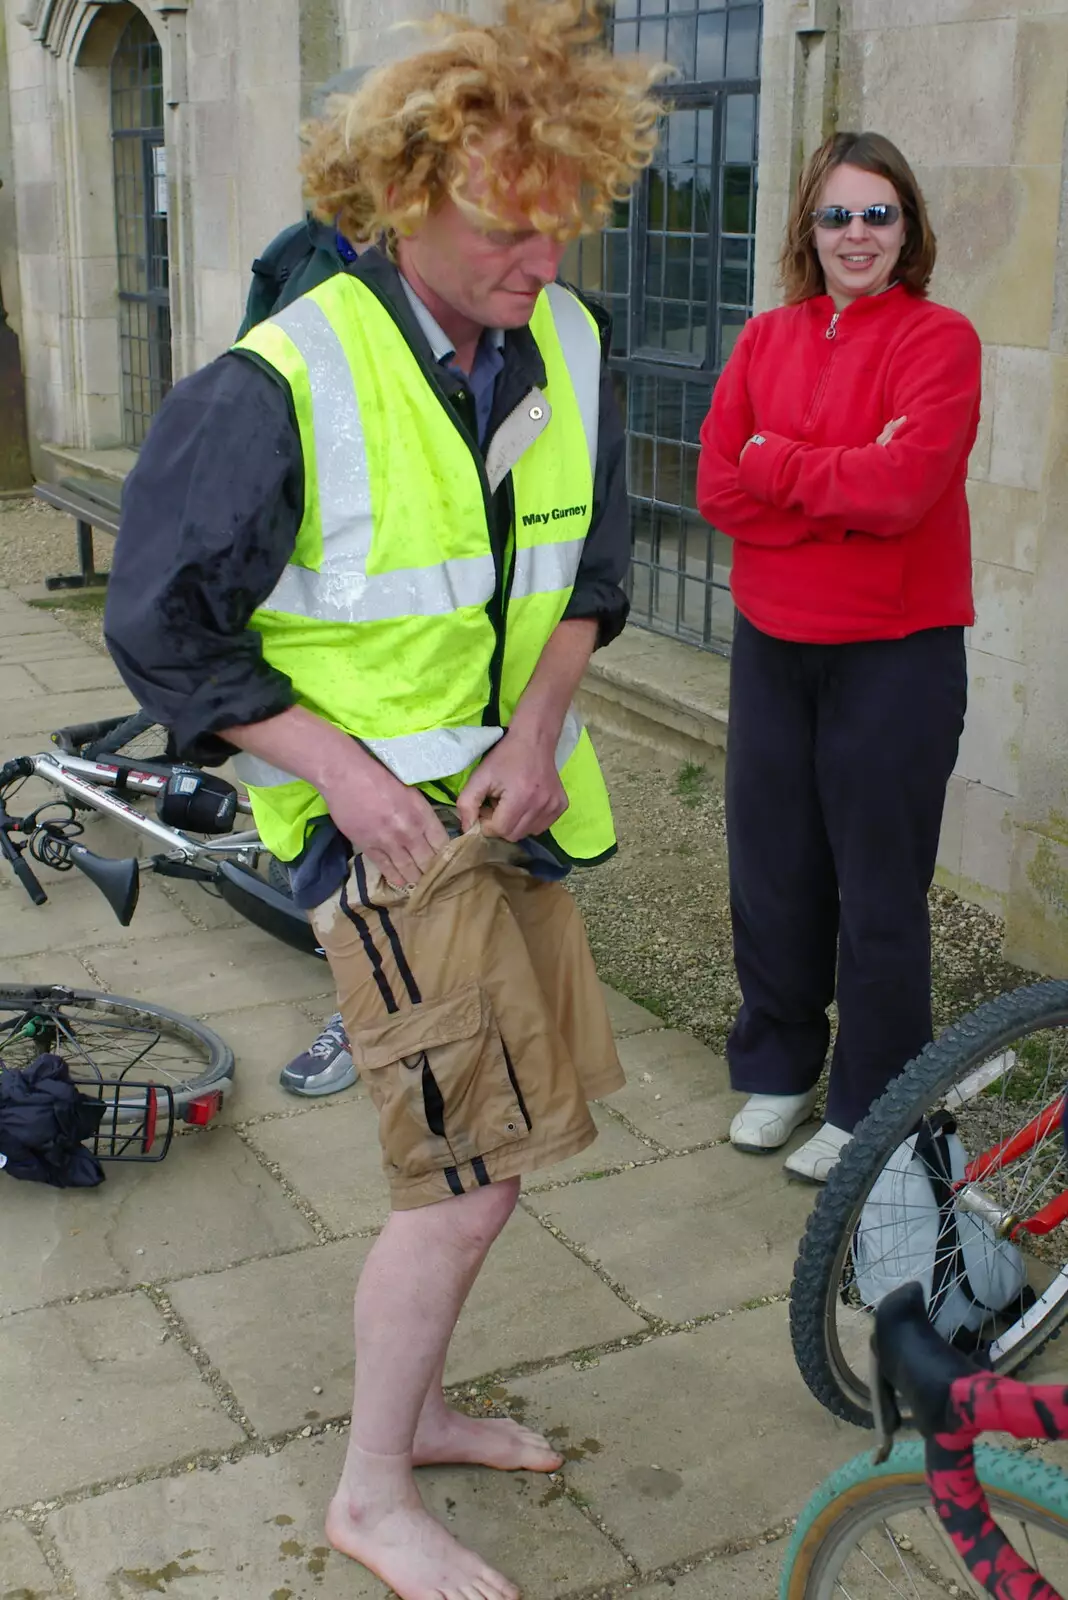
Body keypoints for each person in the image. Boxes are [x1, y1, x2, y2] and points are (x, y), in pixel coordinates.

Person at [104, 5, 663, 1596]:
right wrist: (341, 774)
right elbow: (158, 624)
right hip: (386, 845)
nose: (540, 261)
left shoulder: (569, 337)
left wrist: (547, 720)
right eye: (503, 227)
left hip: (511, 816)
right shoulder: (278, 381)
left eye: (560, 221)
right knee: (468, 1184)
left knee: (505, 1151)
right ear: (402, 196)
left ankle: (407, 1420)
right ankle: (368, 1491)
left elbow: (595, 576)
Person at [696, 131, 980, 1185]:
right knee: (772, 869)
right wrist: (826, 489)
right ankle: (778, 1066)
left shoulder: (939, 341)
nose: (855, 235)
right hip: (774, 646)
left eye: (877, 215)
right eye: (835, 216)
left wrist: (782, 466)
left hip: (893, 658)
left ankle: (872, 1098)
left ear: (907, 229)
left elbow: (902, 491)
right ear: (805, 231)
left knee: (878, 890)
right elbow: (718, 486)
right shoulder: (765, 339)